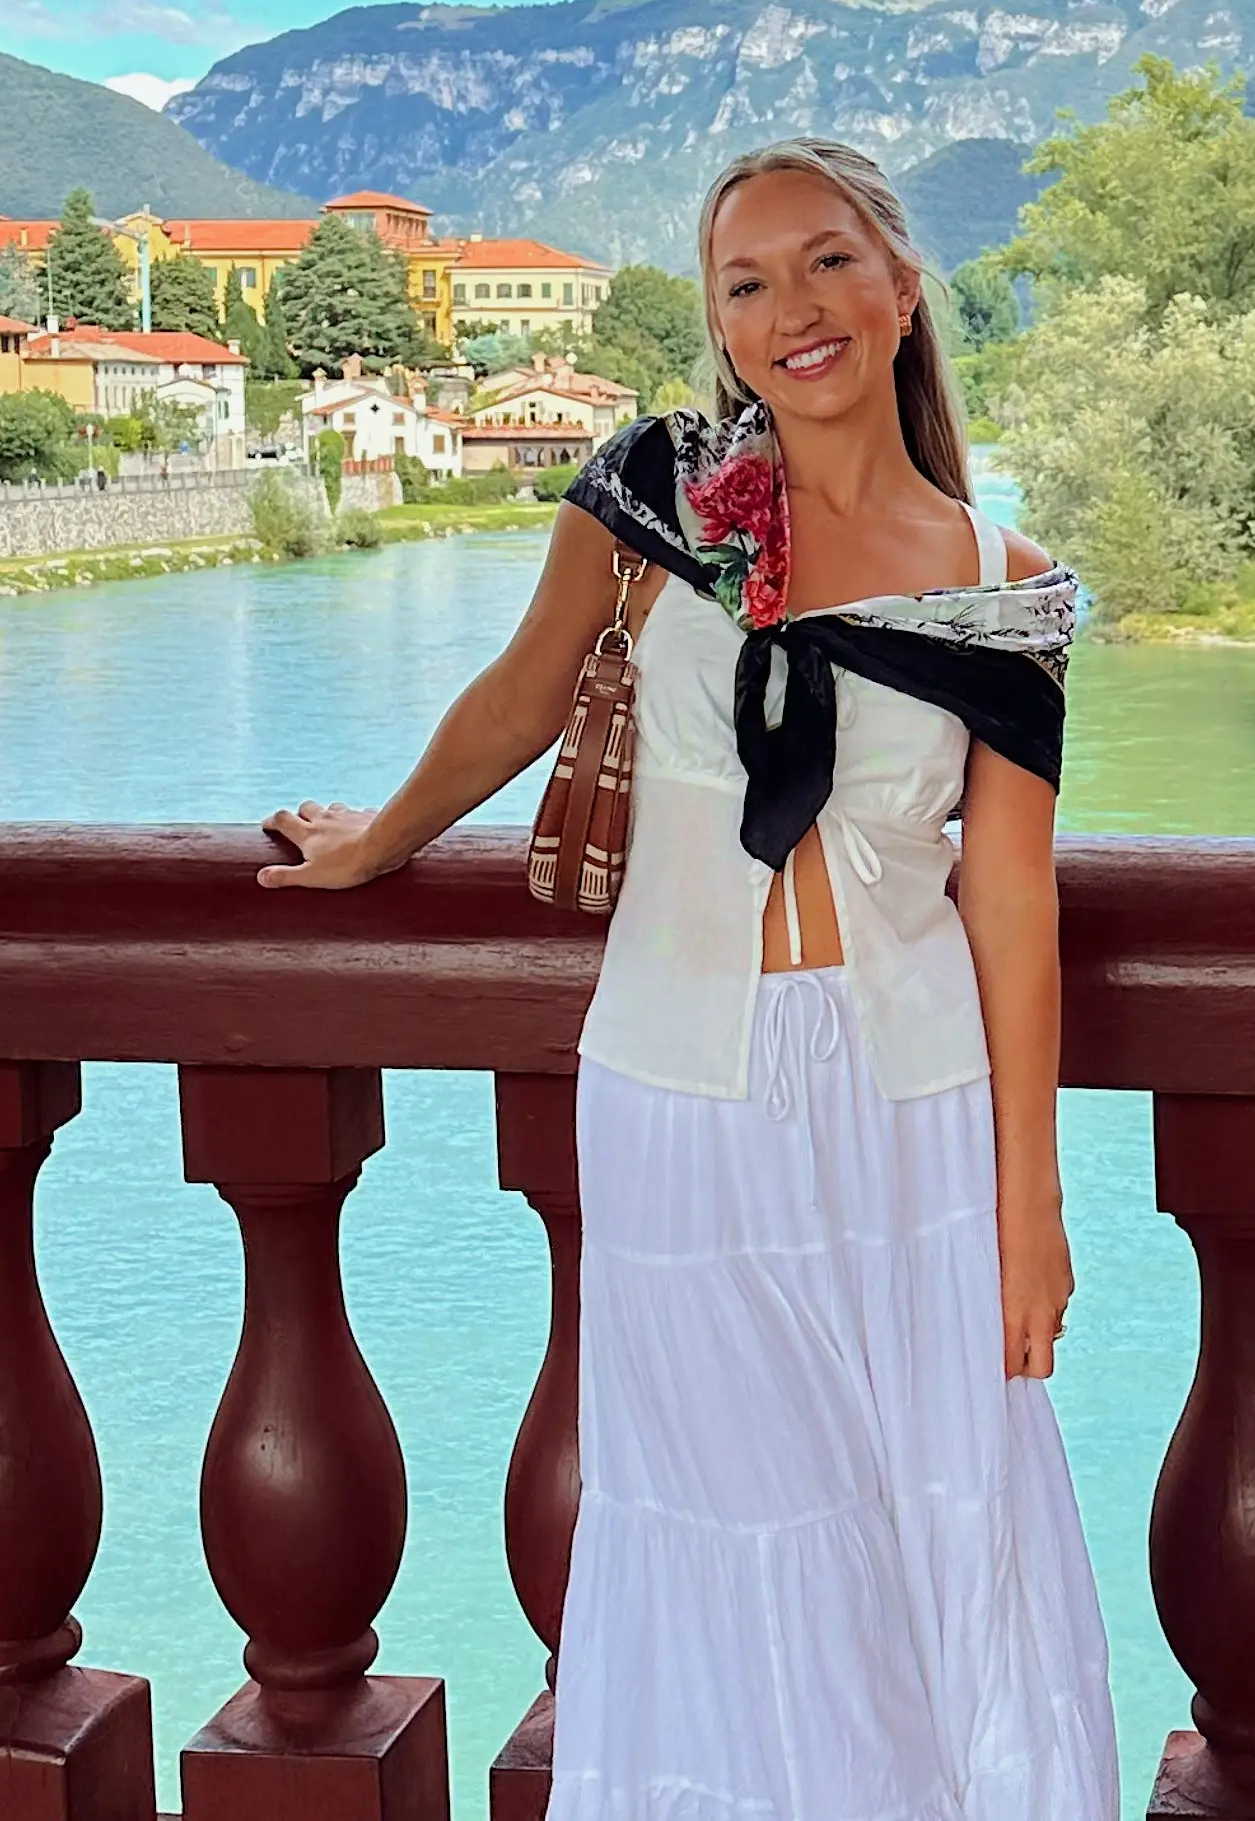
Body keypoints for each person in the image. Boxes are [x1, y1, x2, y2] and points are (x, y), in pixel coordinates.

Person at [259, 137, 1118, 1820]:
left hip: (913, 1107)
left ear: (900, 284)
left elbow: (1012, 899)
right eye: (748, 283)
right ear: (720, 329)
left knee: (941, 1504)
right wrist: (378, 843)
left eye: (826, 263)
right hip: (676, 1095)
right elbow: (520, 699)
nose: (793, 309)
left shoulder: (1010, 595)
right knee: (726, 1514)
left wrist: (1035, 1203)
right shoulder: (657, 494)